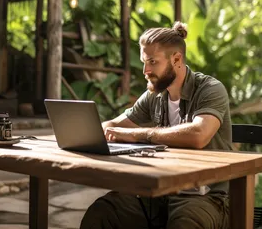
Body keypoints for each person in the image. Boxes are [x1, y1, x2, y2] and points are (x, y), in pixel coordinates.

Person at [80, 21, 232, 229]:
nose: (145, 70)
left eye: (152, 61)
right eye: (144, 61)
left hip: (205, 197)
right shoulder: (155, 95)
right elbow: (113, 125)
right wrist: (102, 129)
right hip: (159, 195)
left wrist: (137, 135)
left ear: (176, 59)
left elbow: (199, 135)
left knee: (184, 224)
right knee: (102, 213)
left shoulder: (210, 89)